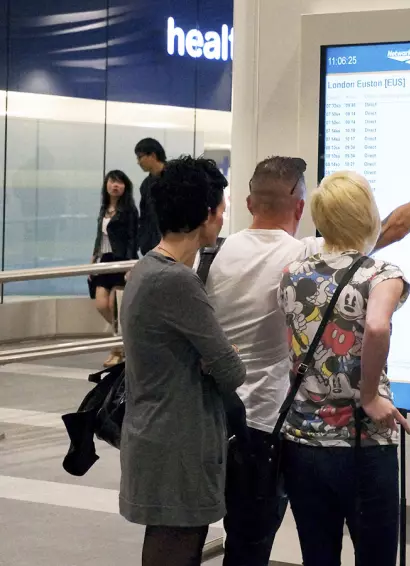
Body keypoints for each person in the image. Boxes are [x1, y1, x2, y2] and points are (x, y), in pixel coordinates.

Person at [205, 156, 410, 566]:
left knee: (257, 545)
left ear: (249, 204)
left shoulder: (238, 259)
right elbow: (379, 306)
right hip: (339, 438)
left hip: (261, 427)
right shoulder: (316, 259)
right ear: (301, 209)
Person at [278, 171, 410, 566]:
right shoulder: (382, 274)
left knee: (318, 557)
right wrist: (368, 395)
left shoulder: (291, 274)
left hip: (302, 444)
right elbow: (376, 324)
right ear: (367, 215)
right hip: (362, 444)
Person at [119, 156, 246, 566]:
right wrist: (222, 356)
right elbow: (231, 370)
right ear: (206, 214)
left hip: (155, 433)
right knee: (175, 550)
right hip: (178, 444)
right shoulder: (177, 280)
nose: (223, 218)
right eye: (222, 209)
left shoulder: (146, 269)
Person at [88, 170, 138, 368]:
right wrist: (93, 259)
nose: (115, 185)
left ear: (125, 187)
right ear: (106, 185)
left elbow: (133, 239)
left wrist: (130, 264)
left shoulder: (130, 211)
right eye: (112, 181)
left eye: (119, 182)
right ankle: (126, 337)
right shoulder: (104, 209)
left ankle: (116, 350)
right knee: (101, 304)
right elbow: (100, 237)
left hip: (121, 261)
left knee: (113, 306)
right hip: (104, 261)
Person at [134, 137, 167, 256]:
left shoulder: (175, 178)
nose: (138, 162)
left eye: (140, 157)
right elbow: (144, 217)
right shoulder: (145, 185)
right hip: (152, 246)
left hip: (174, 244)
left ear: (152, 155)